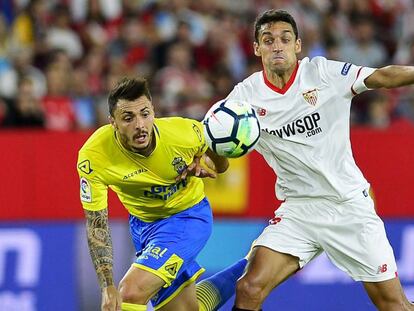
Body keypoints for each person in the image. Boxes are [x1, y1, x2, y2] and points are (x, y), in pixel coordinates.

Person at [226, 9, 414, 311]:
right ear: (256, 48)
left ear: (298, 45)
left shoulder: (323, 73)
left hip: (347, 206)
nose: (277, 45)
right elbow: (215, 139)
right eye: (268, 39)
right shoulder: (244, 97)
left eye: (285, 39)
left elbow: (381, 76)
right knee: (249, 288)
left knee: (394, 306)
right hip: (299, 209)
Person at [77, 76, 247, 311]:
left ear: (154, 112)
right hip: (144, 228)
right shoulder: (94, 156)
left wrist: (205, 159)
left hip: (187, 218)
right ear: (112, 123)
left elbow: (221, 165)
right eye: (128, 118)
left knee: (129, 293)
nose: (140, 125)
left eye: (145, 114)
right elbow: (97, 224)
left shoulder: (185, 133)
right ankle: (252, 265)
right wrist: (106, 285)